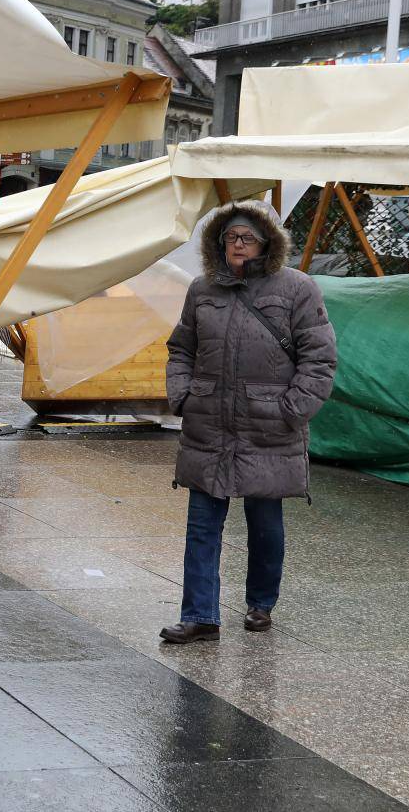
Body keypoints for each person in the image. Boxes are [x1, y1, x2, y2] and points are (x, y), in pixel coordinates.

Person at [159, 201, 338, 644]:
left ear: (268, 243)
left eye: (247, 238)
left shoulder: (298, 289)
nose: (237, 245)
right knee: (202, 523)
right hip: (209, 424)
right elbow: (181, 347)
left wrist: (291, 410)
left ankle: (260, 603)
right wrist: (182, 394)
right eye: (230, 237)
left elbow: (319, 359)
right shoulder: (202, 290)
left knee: (264, 523)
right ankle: (200, 615)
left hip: (269, 425)